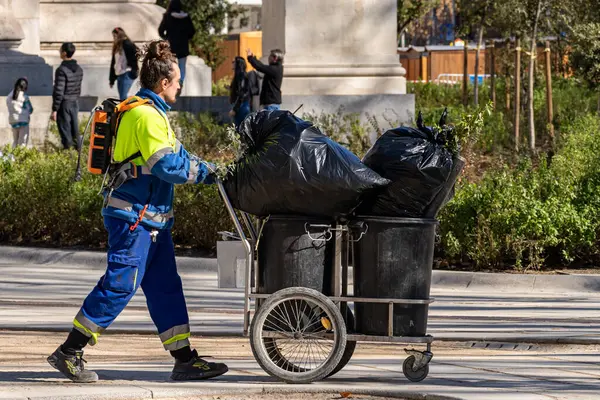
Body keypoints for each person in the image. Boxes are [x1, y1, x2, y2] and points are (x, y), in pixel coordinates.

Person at [46, 40, 228, 383]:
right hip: (134, 220)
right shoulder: (145, 115)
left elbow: (181, 155)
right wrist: (204, 174)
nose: (180, 85)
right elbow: (169, 168)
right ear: (163, 83)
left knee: (165, 288)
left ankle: (184, 359)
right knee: (119, 285)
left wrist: (213, 167)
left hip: (151, 221)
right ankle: (69, 352)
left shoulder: (153, 112)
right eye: (176, 81)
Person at [51, 42, 84, 150]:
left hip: (64, 103)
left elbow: (59, 90)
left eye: (60, 50)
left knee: (65, 132)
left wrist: (55, 109)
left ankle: (68, 155)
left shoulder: (61, 70)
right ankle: (78, 154)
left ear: (64, 53)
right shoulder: (79, 69)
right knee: (75, 130)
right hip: (74, 102)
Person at [158, 0, 196, 87]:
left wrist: (166, 38)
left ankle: (171, 82)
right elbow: (192, 31)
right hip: (183, 46)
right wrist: (186, 38)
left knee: (171, 65)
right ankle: (181, 82)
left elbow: (160, 30)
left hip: (171, 46)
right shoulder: (186, 17)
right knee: (182, 65)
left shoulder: (167, 16)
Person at [110, 27, 139, 100]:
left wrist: (133, 68)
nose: (114, 38)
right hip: (119, 74)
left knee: (123, 97)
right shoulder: (117, 47)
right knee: (122, 97)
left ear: (119, 35)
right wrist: (112, 79)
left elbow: (136, 53)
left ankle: (126, 111)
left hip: (127, 73)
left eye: (115, 36)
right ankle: (124, 111)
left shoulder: (127, 43)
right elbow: (114, 63)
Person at [6, 77, 33, 147]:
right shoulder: (24, 96)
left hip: (13, 121)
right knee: (22, 143)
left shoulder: (9, 96)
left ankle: (13, 156)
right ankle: (20, 157)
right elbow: (30, 109)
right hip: (23, 122)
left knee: (15, 141)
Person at [228, 57, 251, 127]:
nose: (232, 63)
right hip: (241, 105)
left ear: (238, 64)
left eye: (233, 62)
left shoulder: (241, 76)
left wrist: (235, 109)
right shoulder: (239, 76)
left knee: (240, 129)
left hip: (241, 106)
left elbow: (242, 93)